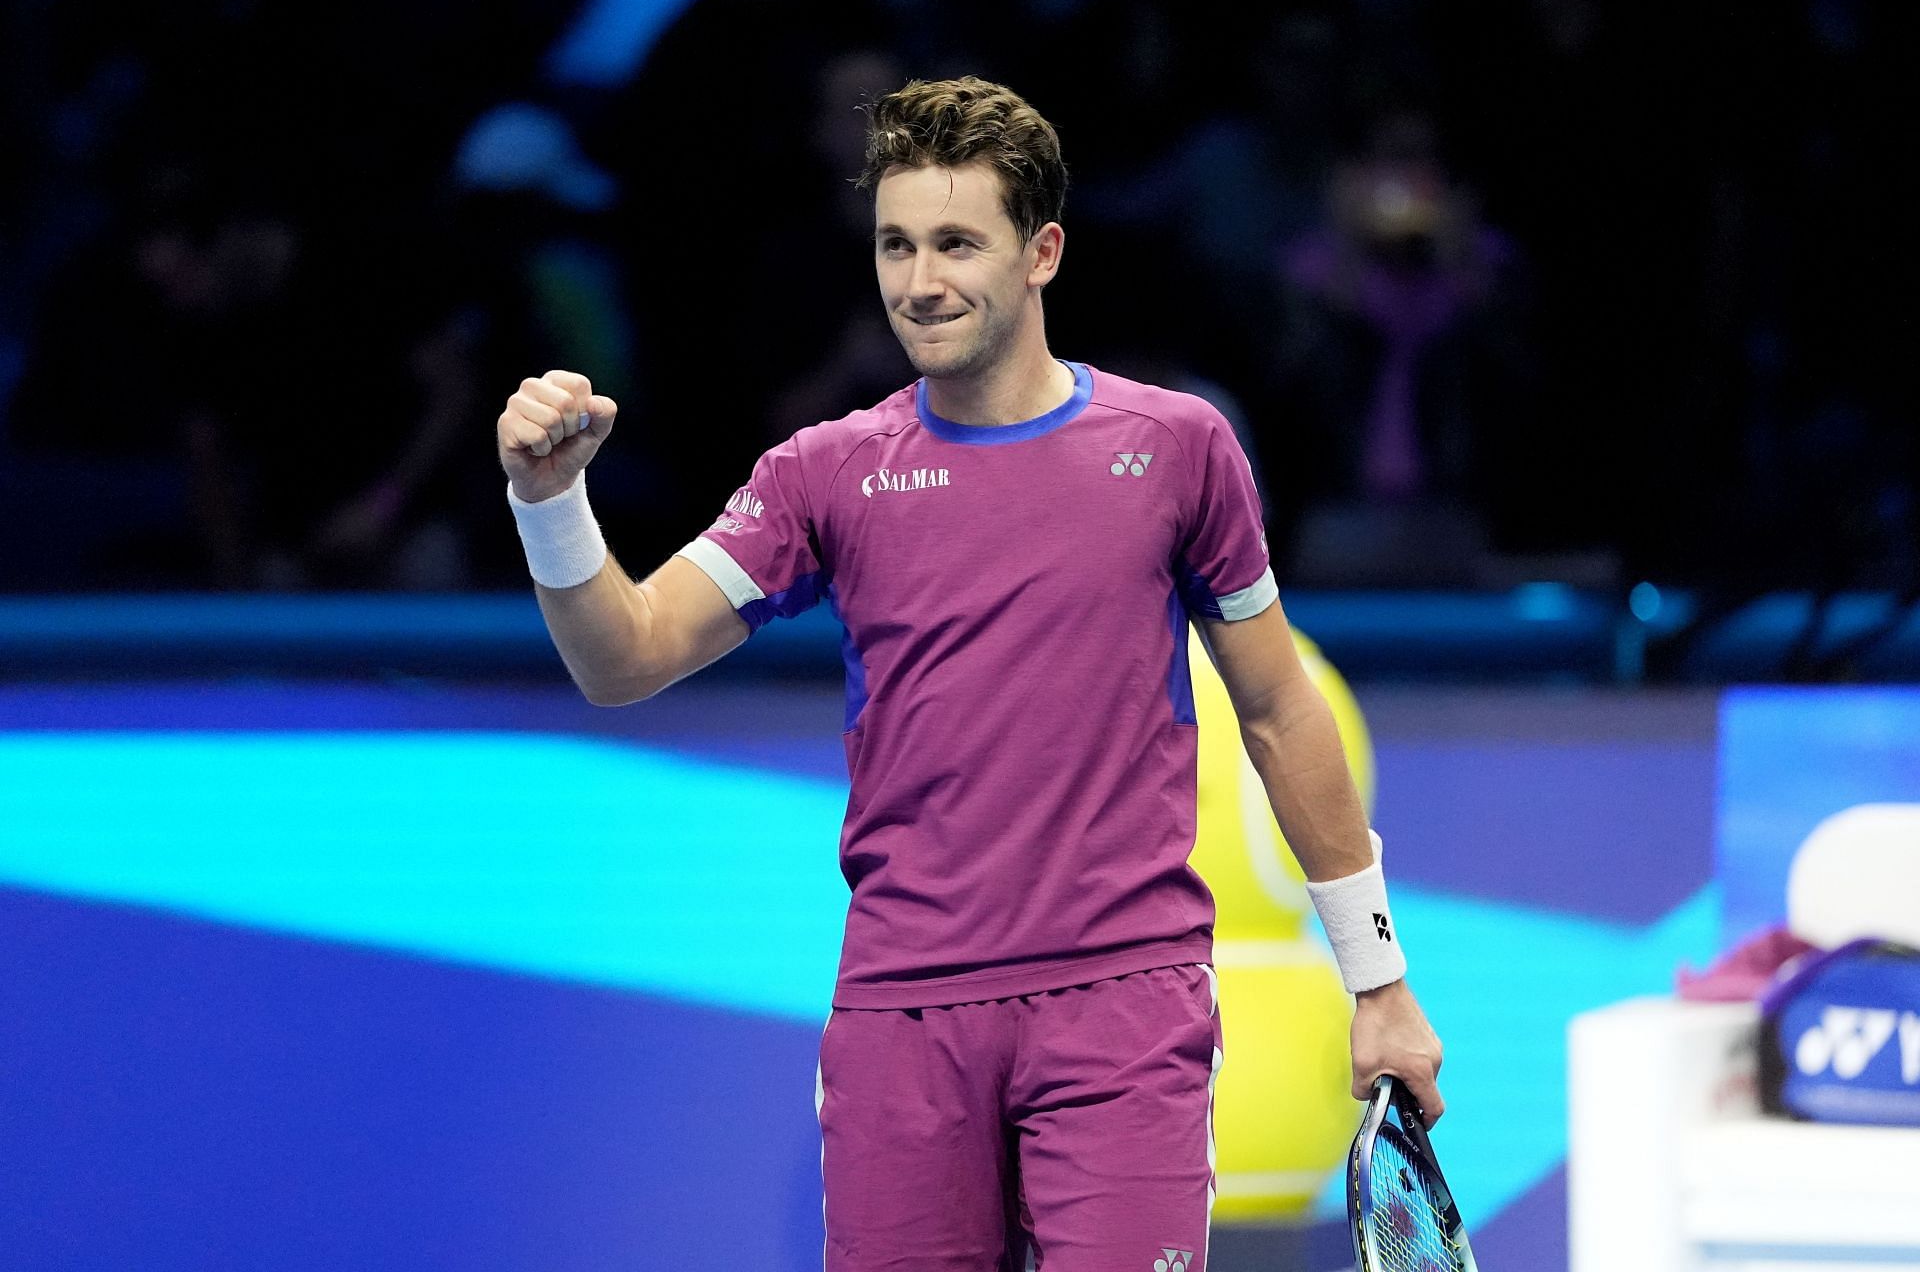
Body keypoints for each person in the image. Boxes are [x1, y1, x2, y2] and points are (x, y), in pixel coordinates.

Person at [495, 77, 1443, 1271]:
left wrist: (1380, 979)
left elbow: (1275, 707)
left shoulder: (1178, 449)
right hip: (903, 1018)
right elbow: (621, 659)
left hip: (1124, 1012)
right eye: (897, 244)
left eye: (956, 242)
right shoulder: (822, 474)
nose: (919, 282)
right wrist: (550, 500)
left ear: (1042, 251)